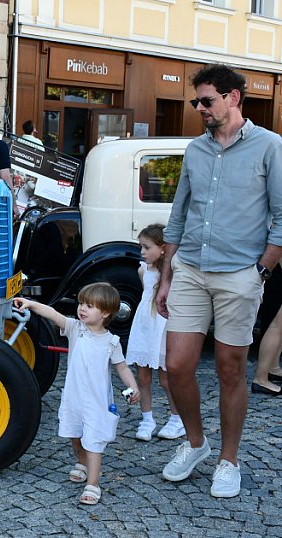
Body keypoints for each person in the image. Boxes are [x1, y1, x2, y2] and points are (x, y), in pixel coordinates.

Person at [156, 64, 282, 498]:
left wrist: (261, 271)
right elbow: (178, 214)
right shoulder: (195, 150)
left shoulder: (270, 147)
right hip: (190, 267)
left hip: (240, 275)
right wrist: (165, 277)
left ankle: (229, 459)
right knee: (176, 366)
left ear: (233, 98)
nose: (199, 109)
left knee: (231, 369)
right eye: (196, 102)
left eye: (206, 101)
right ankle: (196, 443)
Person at [14, 283, 140, 505]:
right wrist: (31, 304)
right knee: (76, 436)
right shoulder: (75, 329)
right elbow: (53, 314)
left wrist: (133, 386)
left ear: (105, 313)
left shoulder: (112, 342)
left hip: (97, 401)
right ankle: (81, 463)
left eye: (89, 306)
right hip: (74, 398)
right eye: (81, 303)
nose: (82, 308)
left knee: (93, 441)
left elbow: (121, 367)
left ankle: (93, 484)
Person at [126, 224, 185, 441]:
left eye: (146, 247)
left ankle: (177, 418)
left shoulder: (172, 274)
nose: (142, 252)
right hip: (144, 328)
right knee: (143, 376)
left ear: (162, 249)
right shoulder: (143, 270)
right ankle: (147, 418)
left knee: (166, 379)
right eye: (141, 247)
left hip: (162, 329)